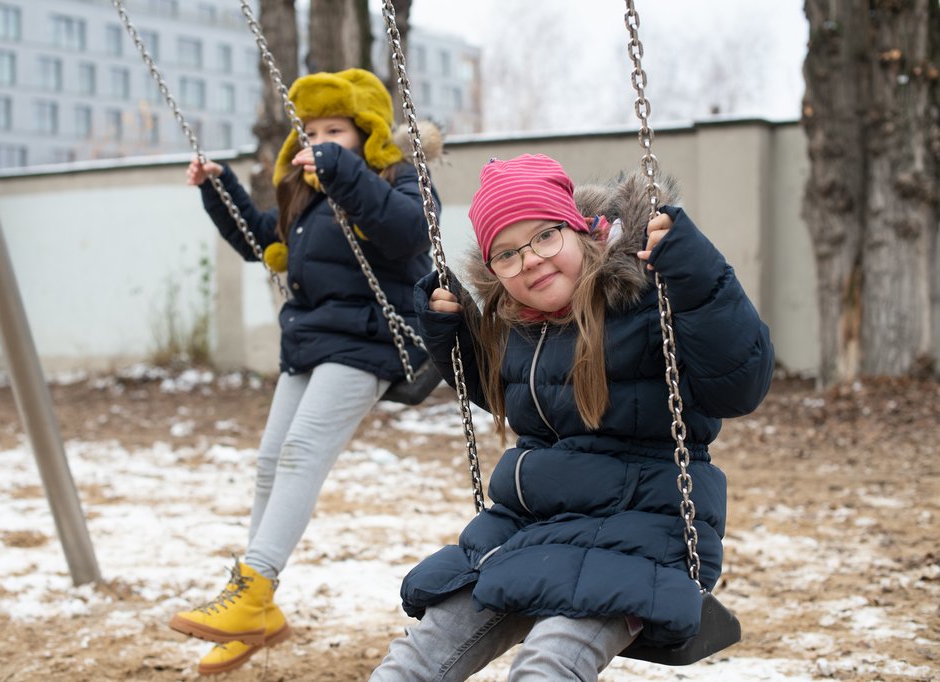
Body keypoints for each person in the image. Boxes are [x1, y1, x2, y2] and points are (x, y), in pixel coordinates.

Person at [370, 154, 774, 680]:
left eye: (544, 236)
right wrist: (457, 336)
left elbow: (740, 385)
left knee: (546, 665)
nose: (531, 260)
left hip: (641, 529)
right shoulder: (519, 324)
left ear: (578, 228)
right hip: (529, 525)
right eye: (507, 254)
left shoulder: (650, 296)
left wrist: (697, 275)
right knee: (414, 658)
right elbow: (521, 397)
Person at [168, 68, 437, 676]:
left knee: (301, 453)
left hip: (369, 341)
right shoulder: (305, 197)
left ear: (365, 133)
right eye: (309, 131)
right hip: (312, 343)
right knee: (269, 461)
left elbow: (407, 234)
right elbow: (260, 238)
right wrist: (221, 189)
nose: (318, 142)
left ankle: (255, 586)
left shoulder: (398, 178)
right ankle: (254, 611)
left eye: (334, 131)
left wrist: (344, 174)